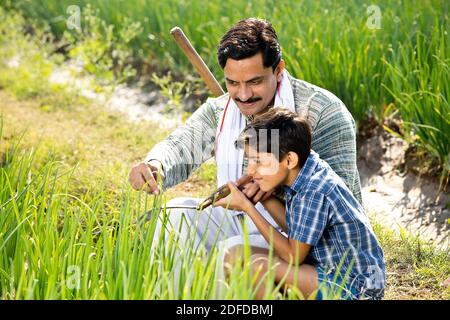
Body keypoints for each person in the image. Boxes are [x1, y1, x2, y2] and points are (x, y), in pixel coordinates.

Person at [128, 18, 363, 294]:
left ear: (278, 70)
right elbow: (182, 143)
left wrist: (268, 192)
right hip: (242, 217)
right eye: (232, 83)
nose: (243, 95)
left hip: (301, 243)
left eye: (254, 81)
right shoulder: (223, 110)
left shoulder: (322, 113)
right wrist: (157, 164)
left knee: (233, 250)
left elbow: (344, 209)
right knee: (177, 214)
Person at [214, 107, 385, 300]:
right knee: (235, 255)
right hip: (323, 269)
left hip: (355, 288)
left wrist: (247, 207)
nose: (251, 171)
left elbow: (292, 256)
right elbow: (297, 230)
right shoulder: (301, 169)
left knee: (258, 266)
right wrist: (264, 196)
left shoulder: (314, 189)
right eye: (250, 161)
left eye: (259, 161)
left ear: (289, 160)